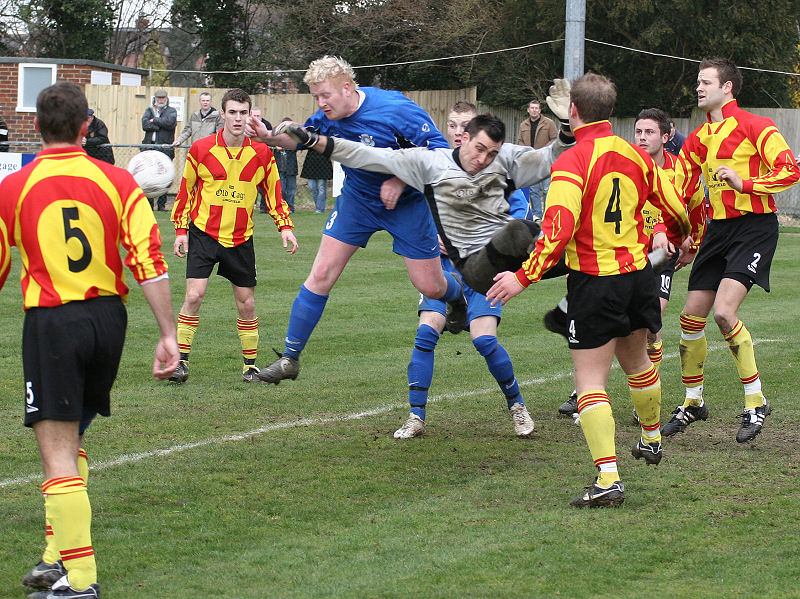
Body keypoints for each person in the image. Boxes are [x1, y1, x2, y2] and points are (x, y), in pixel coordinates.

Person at [0, 81, 178, 599]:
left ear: (36, 127)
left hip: (54, 323)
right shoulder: (119, 181)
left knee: (55, 453)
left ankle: (80, 583)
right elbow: (147, 259)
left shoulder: (14, 187)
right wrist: (168, 334)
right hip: (108, 320)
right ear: (86, 127)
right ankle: (56, 557)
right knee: (71, 439)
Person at [486, 73, 690, 508]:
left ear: (572, 112)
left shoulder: (574, 161)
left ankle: (608, 479)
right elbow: (674, 205)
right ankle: (651, 438)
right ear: (612, 112)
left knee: (590, 381)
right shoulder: (637, 155)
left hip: (596, 283)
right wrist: (683, 237)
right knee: (638, 363)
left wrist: (522, 277)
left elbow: (557, 228)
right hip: (638, 277)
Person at [245, 55, 468, 385]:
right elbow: (299, 137)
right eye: (316, 97)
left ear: (347, 88)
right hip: (358, 202)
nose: (321, 104)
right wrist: (268, 137)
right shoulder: (327, 114)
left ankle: (456, 295)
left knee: (429, 285)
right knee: (321, 273)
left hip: (406, 204)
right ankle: (289, 359)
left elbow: (440, 154)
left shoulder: (396, 109)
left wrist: (401, 178)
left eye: (326, 96)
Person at [663, 58, 799, 443]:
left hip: (754, 228)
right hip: (716, 232)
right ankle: (693, 402)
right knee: (690, 319)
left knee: (724, 313)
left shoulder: (757, 125)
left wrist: (745, 182)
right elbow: (681, 192)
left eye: (705, 82)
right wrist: (683, 232)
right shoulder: (696, 139)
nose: (698, 87)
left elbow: (790, 170)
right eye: (697, 82)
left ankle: (755, 402)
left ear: (728, 89)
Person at [395, 100, 535, 439]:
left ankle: (517, 406)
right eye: (454, 125)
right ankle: (416, 416)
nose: (459, 132)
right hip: (442, 270)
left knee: (484, 340)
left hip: (484, 272)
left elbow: (519, 225)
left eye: (466, 126)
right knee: (426, 332)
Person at [551, 107, 682, 417]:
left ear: (666, 136)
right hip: (615, 257)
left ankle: (640, 398)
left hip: (656, 257)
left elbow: (672, 207)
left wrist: (671, 236)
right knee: (607, 325)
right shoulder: (623, 160)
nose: (642, 137)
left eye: (649, 132)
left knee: (652, 321)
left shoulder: (675, 170)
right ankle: (593, 390)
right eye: (638, 131)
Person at [169, 88, 298, 384]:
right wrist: (180, 230)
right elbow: (185, 193)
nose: (238, 118)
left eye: (243, 113)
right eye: (232, 112)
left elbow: (275, 195)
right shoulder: (201, 149)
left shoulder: (263, 153)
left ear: (249, 115)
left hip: (241, 238)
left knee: (247, 304)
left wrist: (285, 227)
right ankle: (180, 363)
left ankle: (249, 367)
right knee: (193, 295)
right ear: (223, 114)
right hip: (203, 233)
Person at [517, 100, 557, 219]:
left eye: (536, 108)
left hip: (546, 160)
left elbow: (554, 139)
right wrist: (527, 152)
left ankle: (547, 215)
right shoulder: (523, 125)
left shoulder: (549, 123)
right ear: (528, 110)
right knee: (533, 190)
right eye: (532, 108)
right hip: (531, 161)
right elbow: (520, 141)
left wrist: (543, 151)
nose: (534, 110)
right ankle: (537, 215)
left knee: (546, 189)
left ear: (540, 110)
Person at [141, 88, 177, 211]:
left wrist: (155, 120)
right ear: (155, 99)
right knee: (148, 176)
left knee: (164, 177)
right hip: (149, 147)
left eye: (163, 98)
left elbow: (170, 123)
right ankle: (149, 205)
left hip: (165, 148)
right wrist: (159, 124)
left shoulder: (171, 111)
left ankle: (161, 206)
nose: (161, 100)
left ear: (166, 99)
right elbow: (145, 125)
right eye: (159, 98)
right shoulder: (149, 110)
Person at [250, 107, 274, 213]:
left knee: (264, 186)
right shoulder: (247, 126)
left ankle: (264, 207)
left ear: (261, 116)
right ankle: (250, 205)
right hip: (250, 158)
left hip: (263, 158)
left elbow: (271, 141)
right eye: (254, 116)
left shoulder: (267, 126)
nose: (256, 118)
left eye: (258, 116)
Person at [274, 118, 299, 213]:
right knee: (282, 189)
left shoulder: (295, 138)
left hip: (291, 168)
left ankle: (291, 208)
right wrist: (276, 145)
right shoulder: (276, 137)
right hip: (280, 168)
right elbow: (267, 142)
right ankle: (283, 208)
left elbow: (298, 145)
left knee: (291, 190)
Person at [301, 147, 333, 213]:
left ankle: (320, 209)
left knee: (321, 188)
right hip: (311, 163)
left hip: (323, 162)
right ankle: (318, 206)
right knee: (312, 187)